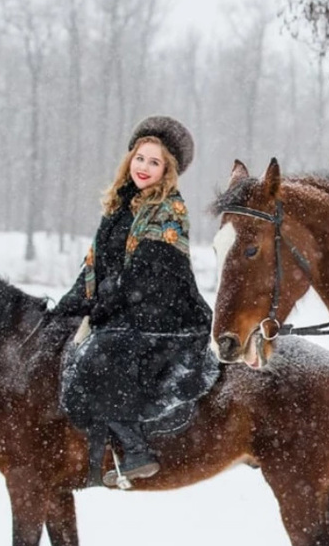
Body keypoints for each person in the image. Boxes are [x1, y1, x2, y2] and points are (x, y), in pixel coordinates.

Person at [51, 115, 215, 487]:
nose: (144, 167)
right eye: (140, 158)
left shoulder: (168, 210)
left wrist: (108, 303)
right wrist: (68, 306)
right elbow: (95, 265)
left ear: (166, 170)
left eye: (154, 162)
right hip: (125, 308)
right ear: (130, 160)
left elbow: (150, 274)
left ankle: (135, 448)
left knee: (104, 355)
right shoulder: (119, 205)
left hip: (163, 315)